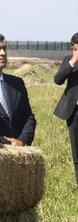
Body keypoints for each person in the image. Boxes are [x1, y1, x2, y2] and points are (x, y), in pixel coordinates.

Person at [54, 32, 78, 187]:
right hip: (74, 112)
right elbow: (58, 80)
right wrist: (73, 61)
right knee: (76, 151)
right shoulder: (68, 61)